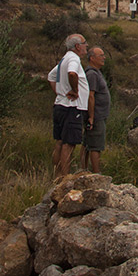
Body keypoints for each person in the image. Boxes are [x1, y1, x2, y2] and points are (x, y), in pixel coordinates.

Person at [48, 33, 89, 176]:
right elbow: (72, 74)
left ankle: (57, 176)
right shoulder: (73, 59)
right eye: (85, 43)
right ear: (78, 46)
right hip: (72, 107)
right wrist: (74, 90)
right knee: (68, 144)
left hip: (60, 104)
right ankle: (65, 179)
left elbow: (51, 76)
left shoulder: (64, 59)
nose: (86, 46)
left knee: (60, 141)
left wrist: (60, 93)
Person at [81, 46, 111, 173]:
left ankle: (83, 170)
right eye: (101, 55)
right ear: (92, 58)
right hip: (96, 116)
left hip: (98, 115)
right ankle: (95, 173)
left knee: (87, 143)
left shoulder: (96, 72)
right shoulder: (92, 74)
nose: (104, 58)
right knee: (95, 146)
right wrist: (91, 117)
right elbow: (90, 95)